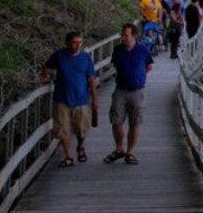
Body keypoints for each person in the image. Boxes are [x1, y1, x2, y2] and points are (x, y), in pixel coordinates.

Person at [41, 32, 98, 167]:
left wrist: (95, 98)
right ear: (67, 43)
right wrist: (46, 77)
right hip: (62, 98)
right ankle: (68, 157)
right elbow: (46, 66)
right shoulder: (59, 55)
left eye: (80, 42)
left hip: (81, 98)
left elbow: (91, 79)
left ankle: (80, 146)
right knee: (63, 129)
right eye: (74, 42)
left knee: (81, 129)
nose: (78, 45)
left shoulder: (85, 58)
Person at [104, 23, 153, 165]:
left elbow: (149, 66)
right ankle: (119, 149)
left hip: (137, 91)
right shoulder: (118, 50)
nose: (123, 37)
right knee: (116, 120)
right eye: (122, 34)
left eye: (126, 35)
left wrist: (139, 77)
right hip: (120, 90)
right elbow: (115, 66)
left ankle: (130, 152)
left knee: (135, 122)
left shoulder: (143, 50)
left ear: (134, 36)